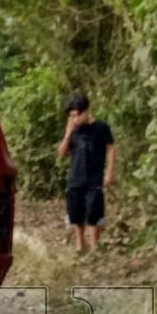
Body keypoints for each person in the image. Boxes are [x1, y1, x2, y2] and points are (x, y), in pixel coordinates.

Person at [57, 93, 115, 254]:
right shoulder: (73, 131)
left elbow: (111, 148)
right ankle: (80, 245)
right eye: (71, 116)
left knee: (93, 212)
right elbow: (61, 154)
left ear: (86, 111)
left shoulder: (101, 128)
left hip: (94, 178)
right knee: (75, 213)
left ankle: (95, 246)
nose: (75, 119)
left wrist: (109, 171)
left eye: (77, 115)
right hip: (75, 178)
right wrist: (68, 134)